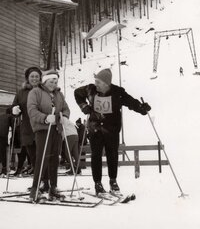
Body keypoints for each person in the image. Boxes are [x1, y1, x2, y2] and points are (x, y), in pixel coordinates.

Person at [74, 68, 151, 195]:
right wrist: (84, 106)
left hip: (112, 129)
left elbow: (130, 102)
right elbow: (77, 93)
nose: (96, 84)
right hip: (95, 128)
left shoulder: (117, 92)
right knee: (96, 155)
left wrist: (141, 108)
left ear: (106, 83)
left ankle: (113, 181)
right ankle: (97, 184)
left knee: (112, 155)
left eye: (99, 82)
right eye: (96, 81)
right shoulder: (90, 89)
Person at [27, 69, 70, 201]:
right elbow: (32, 110)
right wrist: (45, 118)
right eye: (51, 81)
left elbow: (65, 108)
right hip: (42, 130)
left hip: (56, 129)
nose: (53, 83)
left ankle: (53, 187)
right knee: (42, 158)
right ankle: (35, 189)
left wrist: (65, 117)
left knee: (54, 159)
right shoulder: (35, 92)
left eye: (56, 81)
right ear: (45, 81)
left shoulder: (59, 94)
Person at [12, 66, 42, 175]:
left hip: (42, 127)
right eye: (32, 76)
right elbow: (14, 106)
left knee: (43, 156)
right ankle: (38, 183)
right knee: (33, 157)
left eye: (37, 76)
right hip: (28, 129)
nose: (34, 78)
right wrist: (14, 110)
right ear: (27, 78)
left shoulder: (44, 90)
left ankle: (45, 182)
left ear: (40, 78)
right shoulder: (21, 92)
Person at [0, 107, 12, 176]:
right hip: (3, 136)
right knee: (3, 152)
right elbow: (13, 127)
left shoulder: (2, 116)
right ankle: (4, 170)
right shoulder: (10, 117)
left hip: (2, 134)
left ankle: (3, 169)